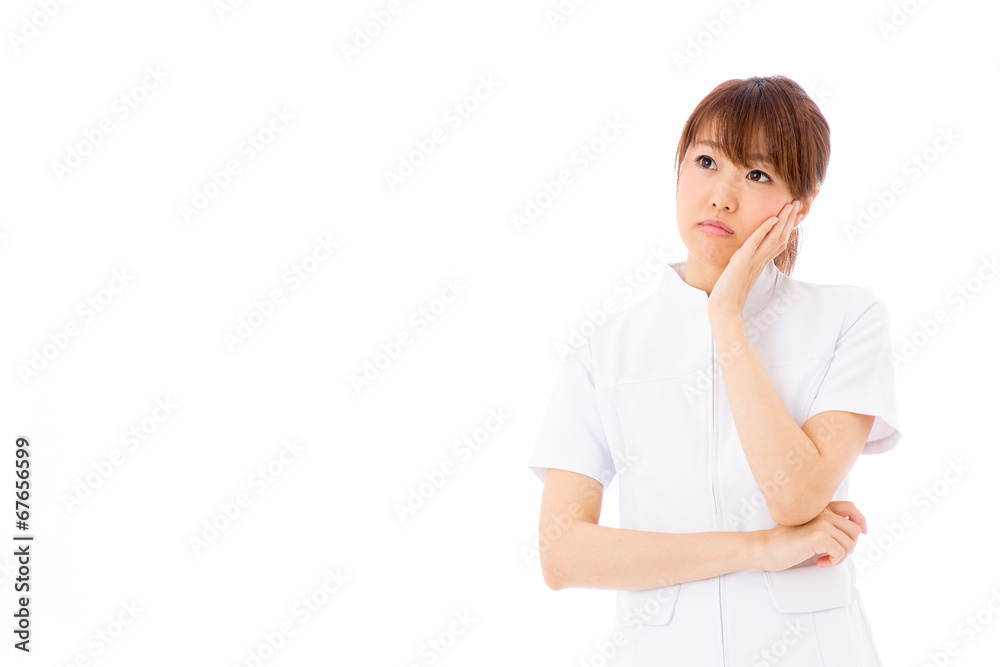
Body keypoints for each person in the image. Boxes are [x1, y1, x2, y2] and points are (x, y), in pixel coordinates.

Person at [527, 75, 901, 666]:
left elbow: (795, 495)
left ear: (799, 207)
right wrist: (760, 549)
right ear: (677, 172)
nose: (721, 196)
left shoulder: (847, 319)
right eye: (705, 162)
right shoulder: (605, 352)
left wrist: (725, 314)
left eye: (757, 175)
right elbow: (564, 556)